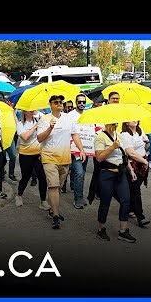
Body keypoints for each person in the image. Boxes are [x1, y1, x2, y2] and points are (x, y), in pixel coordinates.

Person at [37, 94, 86, 230]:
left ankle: (53, 209)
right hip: (49, 157)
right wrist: (50, 128)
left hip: (64, 157)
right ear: (50, 104)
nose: (59, 104)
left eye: (61, 102)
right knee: (53, 185)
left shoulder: (68, 118)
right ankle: (56, 216)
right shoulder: (44, 119)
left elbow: (74, 134)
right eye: (56, 102)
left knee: (58, 187)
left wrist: (81, 149)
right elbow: (40, 138)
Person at [94, 122, 136, 243]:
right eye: (113, 123)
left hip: (120, 173)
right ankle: (101, 229)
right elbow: (99, 157)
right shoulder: (100, 137)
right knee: (105, 202)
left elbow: (124, 156)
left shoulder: (119, 135)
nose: (115, 125)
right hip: (106, 173)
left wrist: (131, 170)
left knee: (126, 201)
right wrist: (112, 147)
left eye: (116, 123)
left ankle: (123, 231)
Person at [15, 109, 50, 210]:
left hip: (38, 155)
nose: (31, 111)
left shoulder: (39, 120)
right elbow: (25, 137)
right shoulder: (20, 124)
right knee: (25, 177)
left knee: (42, 177)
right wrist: (36, 126)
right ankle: (19, 195)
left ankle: (43, 201)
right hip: (25, 155)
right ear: (24, 112)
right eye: (28, 110)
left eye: (32, 109)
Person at [121, 121, 150, 227]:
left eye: (136, 118)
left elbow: (145, 147)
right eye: (131, 118)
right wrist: (145, 162)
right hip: (132, 165)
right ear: (126, 122)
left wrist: (147, 142)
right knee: (136, 190)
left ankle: (130, 208)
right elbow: (130, 153)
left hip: (142, 163)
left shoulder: (140, 130)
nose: (135, 120)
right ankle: (140, 217)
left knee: (133, 188)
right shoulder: (124, 135)